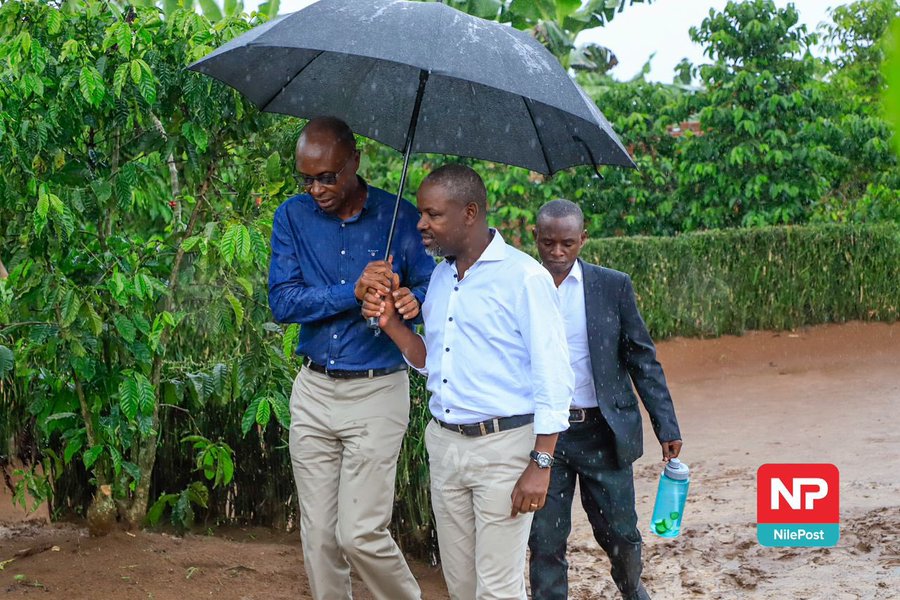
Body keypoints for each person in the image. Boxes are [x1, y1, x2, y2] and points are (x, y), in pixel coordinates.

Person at [362, 165, 574, 600]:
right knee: (461, 586)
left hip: (503, 450)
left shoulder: (524, 278)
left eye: (433, 215)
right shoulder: (442, 277)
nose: (421, 224)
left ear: (470, 213)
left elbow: (554, 377)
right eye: (422, 214)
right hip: (445, 447)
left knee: (497, 590)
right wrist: (391, 325)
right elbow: (432, 360)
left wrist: (541, 463)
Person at [268, 116, 435, 600]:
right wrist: (352, 290)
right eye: (307, 178)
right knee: (319, 537)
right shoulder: (291, 218)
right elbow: (284, 303)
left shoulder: (400, 216)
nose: (316, 188)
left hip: (378, 390)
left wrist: (412, 300)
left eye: (328, 176)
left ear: (355, 161)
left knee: (359, 532)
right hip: (314, 391)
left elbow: (430, 285)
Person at [527, 199, 683, 600]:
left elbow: (641, 358)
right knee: (544, 541)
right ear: (534, 238)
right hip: (545, 435)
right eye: (548, 243)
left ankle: (632, 589)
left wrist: (665, 424)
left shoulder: (612, 286)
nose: (557, 253)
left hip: (603, 431)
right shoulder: (521, 285)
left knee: (621, 534)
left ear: (584, 238)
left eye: (567, 243)